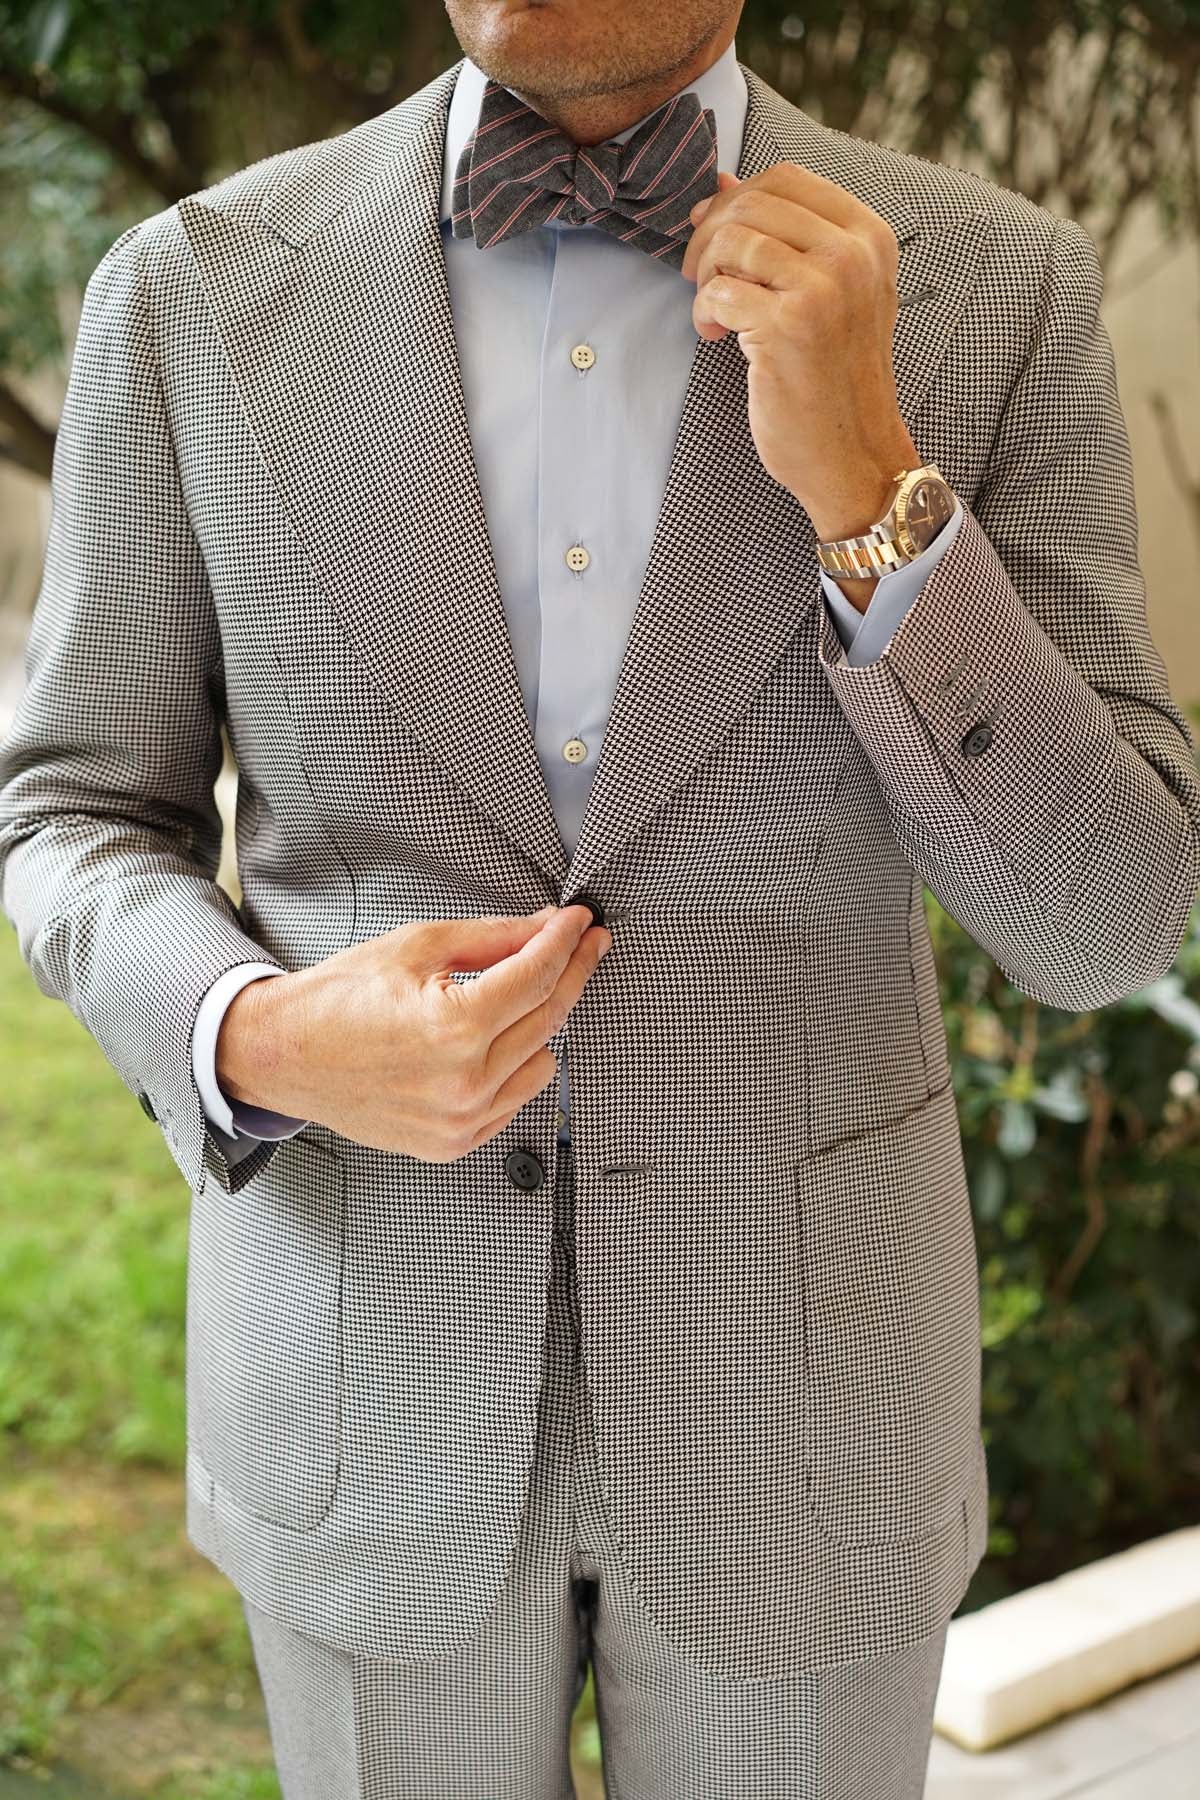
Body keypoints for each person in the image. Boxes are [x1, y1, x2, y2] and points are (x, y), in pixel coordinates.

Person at [2, 0, 1198, 1793]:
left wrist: (872, 483)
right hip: (362, 1396)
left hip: (804, 1427)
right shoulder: (190, 292)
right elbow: (74, 816)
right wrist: (252, 1029)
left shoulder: (994, 287)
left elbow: (1103, 926)